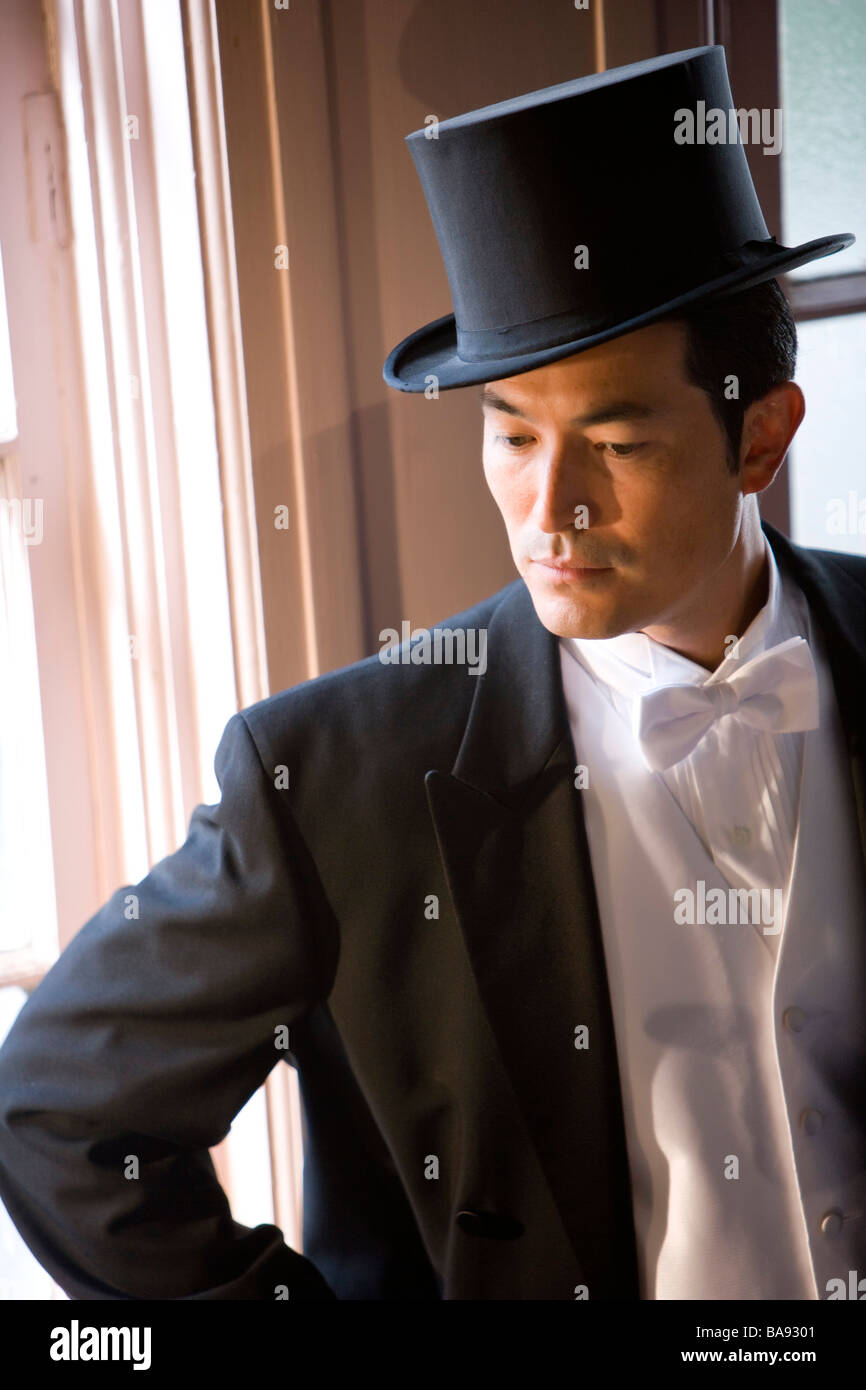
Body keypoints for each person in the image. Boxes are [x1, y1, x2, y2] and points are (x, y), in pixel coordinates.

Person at [0, 44, 864, 1302]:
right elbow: (60, 1113)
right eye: (510, 433)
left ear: (761, 437)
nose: (547, 508)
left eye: (615, 441)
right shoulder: (327, 777)